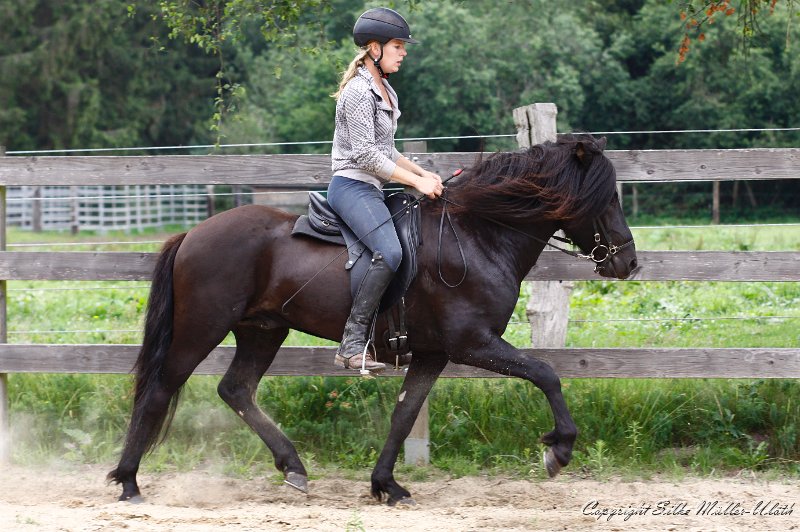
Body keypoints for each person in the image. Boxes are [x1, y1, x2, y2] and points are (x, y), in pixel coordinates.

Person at [328, 7, 443, 372]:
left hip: (372, 186)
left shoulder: (384, 89)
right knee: (390, 252)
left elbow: (387, 150)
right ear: (374, 49)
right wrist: (416, 182)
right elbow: (363, 154)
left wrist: (424, 172)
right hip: (350, 185)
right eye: (397, 46)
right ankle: (352, 343)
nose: (403, 52)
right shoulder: (358, 92)